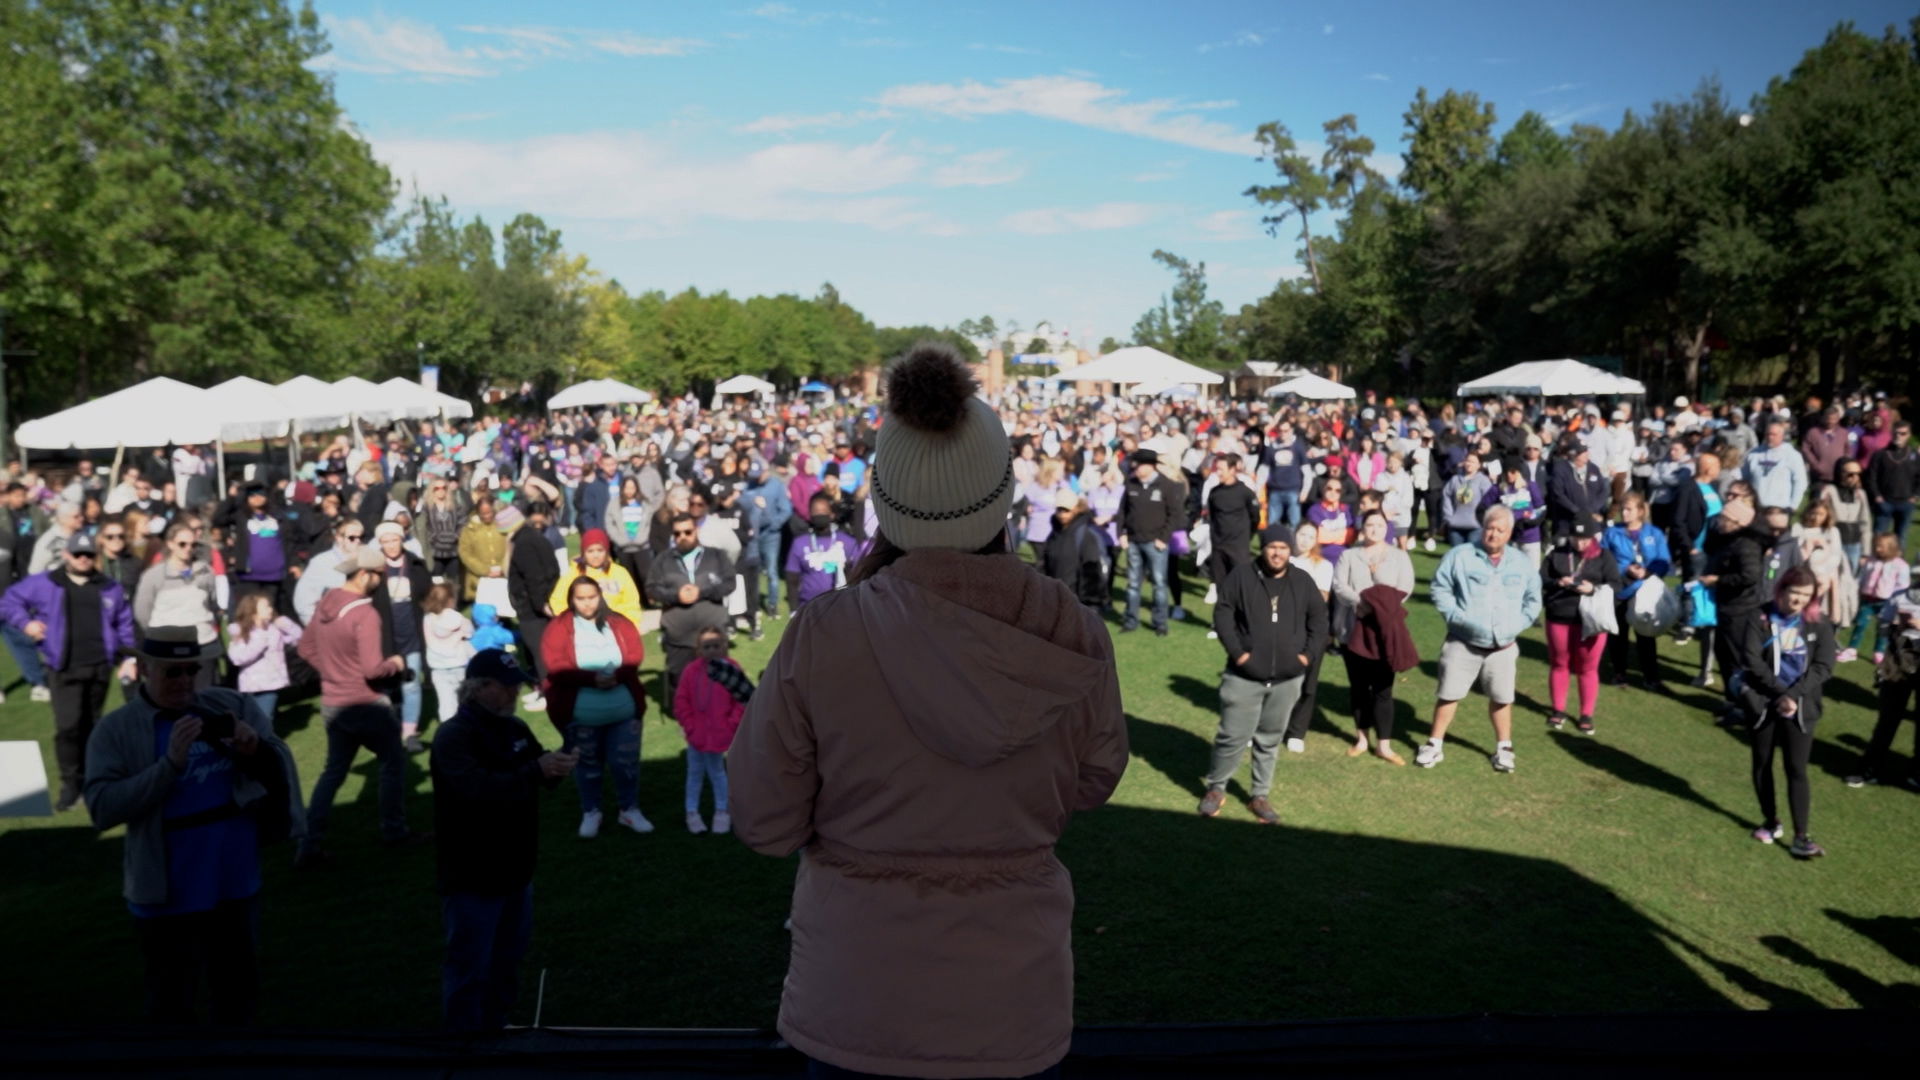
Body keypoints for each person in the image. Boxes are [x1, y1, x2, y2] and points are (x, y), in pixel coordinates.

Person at [731, 345, 1127, 1079]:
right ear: (1003, 497)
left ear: (881, 500)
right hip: (1014, 1004)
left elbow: (763, 817)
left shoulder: (827, 633)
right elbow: (1095, 778)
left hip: (856, 1000)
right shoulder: (1071, 625)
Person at [83, 626, 304, 1025]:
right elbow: (102, 808)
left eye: (192, 670)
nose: (185, 681)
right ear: (145, 669)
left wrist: (254, 752)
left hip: (234, 881)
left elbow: (279, 765)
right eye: (172, 672)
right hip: (167, 891)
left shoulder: (228, 706)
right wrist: (168, 767)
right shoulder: (116, 729)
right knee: (171, 1000)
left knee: (238, 994)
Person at [430, 648, 577, 1032]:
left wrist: (558, 765)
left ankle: (497, 1029)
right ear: (479, 689)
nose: (514, 693)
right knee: (469, 966)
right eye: (507, 686)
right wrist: (536, 770)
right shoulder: (453, 737)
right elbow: (475, 791)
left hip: (516, 869)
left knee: (508, 959)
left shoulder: (513, 729)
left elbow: (537, 771)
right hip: (472, 874)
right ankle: (463, 1043)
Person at [295, 547, 431, 868]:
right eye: (379, 575)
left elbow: (305, 648)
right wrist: (395, 663)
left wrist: (332, 671)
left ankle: (308, 844)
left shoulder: (325, 604)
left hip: (333, 703)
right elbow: (372, 669)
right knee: (393, 763)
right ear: (364, 575)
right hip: (367, 703)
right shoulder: (365, 614)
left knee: (332, 773)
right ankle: (394, 831)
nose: (381, 581)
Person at [0, 532, 140, 809]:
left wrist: (129, 658)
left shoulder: (108, 586)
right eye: (78, 554)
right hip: (63, 666)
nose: (84, 559)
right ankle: (70, 783)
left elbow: (124, 623)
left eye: (89, 555)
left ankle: (91, 781)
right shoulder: (46, 583)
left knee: (92, 726)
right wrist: (26, 623)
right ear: (66, 555)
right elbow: (8, 601)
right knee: (68, 728)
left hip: (99, 666)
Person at [1200, 525, 1328, 823]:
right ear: (1263, 548)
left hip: (1287, 678)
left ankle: (1260, 794)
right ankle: (1216, 788)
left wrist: (1305, 657)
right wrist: (1239, 653)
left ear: (1290, 550)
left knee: (1270, 739)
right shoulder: (1242, 576)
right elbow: (1223, 613)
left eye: (1283, 547)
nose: (1277, 552)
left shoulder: (1301, 580)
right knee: (1232, 736)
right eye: (1272, 547)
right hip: (1244, 676)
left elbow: (1319, 620)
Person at [1417, 505, 1543, 772]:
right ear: (1482, 528)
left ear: (1509, 534)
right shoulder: (1460, 556)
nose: (1493, 534)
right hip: (1463, 642)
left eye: (1500, 530)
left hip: (1503, 646)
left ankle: (1504, 748)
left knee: (1502, 697)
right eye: (1490, 528)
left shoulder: (1521, 563)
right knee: (1448, 694)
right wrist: (1456, 617)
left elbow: (1533, 599)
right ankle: (1434, 744)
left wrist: (1516, 625)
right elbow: (1440, 587)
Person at [1732, 567, 1833, 859]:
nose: (1798, 600)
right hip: (1764, 702)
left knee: (1796, 769)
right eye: (1794, 593)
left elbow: (1823, 666)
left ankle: (1801, 836)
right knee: (1762, 763)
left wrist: (1793, 696)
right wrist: (1780, 693)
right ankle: (1770, 821)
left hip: (1801, 707)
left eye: (1805, 595)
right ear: (1781, 590)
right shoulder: (1759, 616)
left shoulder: (1820, 624)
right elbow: (1751, 660)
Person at [541, 576, 651, 838]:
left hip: (624, 711)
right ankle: (591, 811)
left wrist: (618, 676)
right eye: (581, 598)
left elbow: (634, 655)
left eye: (592, 597)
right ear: (571, 599)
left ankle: (629, 809)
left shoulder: (619, 623)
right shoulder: (558, 627)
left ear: (600, 596)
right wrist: (591, 679)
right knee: (587, 766)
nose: (587, 603)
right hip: (582, 715)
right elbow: (555, 666)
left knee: (626, 763)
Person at [1332, 510, 1416, 763]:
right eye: (1370, 524)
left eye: (1380, 524)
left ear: (1387, 528)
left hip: (1385, 632)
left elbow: (1405, 588)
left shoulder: (1399, 557)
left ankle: (1384, 745)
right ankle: (1361, 738)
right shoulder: (1348, 555)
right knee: (1358, 688)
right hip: (1353, 627)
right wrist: (1363, 602)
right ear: (1362, 527)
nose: (1375, 529)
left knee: (1383, 689)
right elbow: (1339, 586)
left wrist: (1378, 603)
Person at [645, 512, 735, 713]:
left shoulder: (716, 555)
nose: (683, 537)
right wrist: (676, 595)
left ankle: (718, 714)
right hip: (678, 634)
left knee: (717, 676)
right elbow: (651, 589)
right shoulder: (663, 560)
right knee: (680, 678)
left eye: (687, 531)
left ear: (697, 531)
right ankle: (687, 718)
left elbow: (730, 583)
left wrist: (701, 592)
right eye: (677, 534)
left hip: (712, 632)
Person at [1541, 520, 1622, 734]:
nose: (1580, 543)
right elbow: (1541, 579)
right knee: (1559, 663)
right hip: (1559, 616)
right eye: (1576, 538)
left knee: (1587, 668)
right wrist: (1558, 583)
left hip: (1591, 621)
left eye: (1585, 539)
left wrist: (1593, 589)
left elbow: (1616, 585)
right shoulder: (1557, 553)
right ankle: (1558, 710)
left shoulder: (1604, 556)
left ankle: (1586, 714)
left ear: (1593, 537)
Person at [674, 626, 752, 835]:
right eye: (706, 646)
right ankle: (691, 811)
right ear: (699, 649)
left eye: (716, 645)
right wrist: (689, 726)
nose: (712, 650)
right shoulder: (691, 671)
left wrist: (731, 724)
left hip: (720, 734)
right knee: (694, 773)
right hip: (696, 736)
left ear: (724, 646)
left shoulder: (731, 669)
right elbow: (682, 701)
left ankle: (722, 810)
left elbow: (742, 700)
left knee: (718, 773)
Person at [1602, 493, 1673, 692]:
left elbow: (1664, 560)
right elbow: (1603, 559)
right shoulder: (1612, 533)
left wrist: (1649, 571)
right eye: (1622, 509)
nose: (1624, 513)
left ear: (1641, 511)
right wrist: (1624, 569)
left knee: (1646, 634)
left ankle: (1651, 677)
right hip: (1620, 589)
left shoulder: (1654, 533)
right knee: (1618, 634)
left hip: (1645, 590)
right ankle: (1619, 673)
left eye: (1629, 509)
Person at [1119, 447, 1184, 637]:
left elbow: (1174, 515)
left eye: (1138, 465)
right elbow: (1123, 511)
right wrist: (1121, 533)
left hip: (1156, 544)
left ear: (1149, 466)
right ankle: (1131, 620)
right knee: (1132, 584)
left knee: (1159, 584)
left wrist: (1163, 539)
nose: (1134, 468)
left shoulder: (1166, 486)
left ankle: (1160, 623)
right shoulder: (1131, 484)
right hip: (1133, 541)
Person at [225, 593, 303, 735]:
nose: (270, 609)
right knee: (253, 719)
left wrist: (286, 624)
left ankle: (262, 745)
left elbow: (298, 638)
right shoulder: (242, 632)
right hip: (251, 686)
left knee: (264, 719)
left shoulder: (273, 629)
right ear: (253, 612)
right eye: (266, 607)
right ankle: (254, 745)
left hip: (270, 684)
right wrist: (260, 643)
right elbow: (237, 658)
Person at [220, 481, 295, 615]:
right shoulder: (241, 516)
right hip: (248, 575)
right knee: (249, 612)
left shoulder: (277, 516)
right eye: (252, 495)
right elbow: (218, 518)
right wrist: (231, 497)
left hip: (274, 574)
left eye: (260, 494)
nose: (257, 498)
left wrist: (292, 564)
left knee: (269, 612)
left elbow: (289, 541)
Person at [546, 527, 644, 626]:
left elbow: (632, 604)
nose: (595, 555)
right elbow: (558, 601)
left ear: (606, 551)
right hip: (582, 627)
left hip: (616, 626)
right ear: (583, 553)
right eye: (590, 551)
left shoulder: (619, 572)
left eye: (600, 550)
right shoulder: (573, 573)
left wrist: (629, 625)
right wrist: (572, 622)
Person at [784, 493, 866, 609]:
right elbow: (792, 578)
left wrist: (846, 566)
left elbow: (859, 574)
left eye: (823, 510)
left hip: (840, 607)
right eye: (815, 511)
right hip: (808, 607)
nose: (819, 514)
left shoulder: (847, 542)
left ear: (832, 514)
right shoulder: (800, 543)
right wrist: (793, 610)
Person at [1844, 533, 1908, 664]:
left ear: (1891, 547)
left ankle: (1879, 652)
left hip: (1886, 602)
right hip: (1868, 599)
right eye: (1876, 546)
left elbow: (1902, 585)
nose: (1878, 549)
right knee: (1860, 624)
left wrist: (1896, 601)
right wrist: (1857, 588)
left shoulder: (1900, 565)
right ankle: (1852, 649)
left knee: (1883, 628)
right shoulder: (1871, 560)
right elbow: (1862, 576)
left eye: (1881, 546)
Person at [1040, 496, 1109, 611]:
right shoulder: (1054, 534)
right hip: (1053, 598)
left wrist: (1090, 605)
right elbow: (1044, 563)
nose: (1062, 514)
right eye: (1059, 510)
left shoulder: (1086, 536)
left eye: (1066, 510)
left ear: (1077, 509)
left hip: (1076, 602)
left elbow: (1092, 572)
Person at [292, 517, 365, 625]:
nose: (358, 541)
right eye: (352, 537)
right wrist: (319, 629)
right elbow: (303, 601)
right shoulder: (322, 562)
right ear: (339, 538)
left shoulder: (365, 561)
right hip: (331, 631)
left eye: (361, 537)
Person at [423, 582, 476, 728]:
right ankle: (468, 727)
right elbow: (470, 631)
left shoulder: (428, 618)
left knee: (446, 702)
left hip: (437, 667)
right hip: (458, 663)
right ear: (451, 600)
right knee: (465, 699)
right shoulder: (457, 618)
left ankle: (449, 729)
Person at [1203, 453, 1258, 586]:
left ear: (1233, 470)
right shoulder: (1214, 492)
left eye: (1221, 469)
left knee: (1241, 584)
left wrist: (1246, 536)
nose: (1218, 473)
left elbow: (1255, 517)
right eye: (1217, 469)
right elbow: (1212, 516)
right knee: (1221, 587)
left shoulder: (1245, 492)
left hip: (1238, 546)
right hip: (1218, 546)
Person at [1866, 420, 1918, 547]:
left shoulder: (1914, 455)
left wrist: (1915, 495)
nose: (1898, 436)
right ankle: (1874, 565)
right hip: (1885, 502)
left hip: (1906, 502)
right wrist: (1877, 497)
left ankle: (1899, 565)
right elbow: (1871, 477)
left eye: (1903, 433)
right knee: (1878, 538)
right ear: (1891, 433)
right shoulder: (1880, 454)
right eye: (1896, 433)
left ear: (1909, 435)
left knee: (1901, 537)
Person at [1547, 440, 1609, 537]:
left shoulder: (1593, 468)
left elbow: (1603, 491)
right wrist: (1576, 511)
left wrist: (1593, 508)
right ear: (1573, 454)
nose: (1587, 454)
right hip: (1568, 521)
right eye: (1582, 452)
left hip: (1592, 518)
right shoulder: (1561, 469)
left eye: (1586, 451)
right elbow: (1557, 493)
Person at [1743, 422, 1808, 514]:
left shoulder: (1792, 455)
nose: (1770, 437)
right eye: (1768, 434)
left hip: (1779, 508)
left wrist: (1793, 505)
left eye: (1774, 435)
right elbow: (1745, 479)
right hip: (1755, 507)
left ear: (1782, 436)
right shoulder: (1754, 454)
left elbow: (1800, 482)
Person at [458, 496, 510, 605]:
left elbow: (510, 546)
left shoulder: (503, 524)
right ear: (478, 512)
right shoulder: (469, 529)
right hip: (479, 578)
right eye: (483, 513)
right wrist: (485, 570)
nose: (487, 516)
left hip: (502, 574)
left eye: (490, 512)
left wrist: (503, 567)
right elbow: (465, 553)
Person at [1440, 454, 1491, 546]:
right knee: (1457, 554)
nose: (1469, 464)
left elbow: (1489, 500)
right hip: (1455, 526)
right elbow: (1446, 496)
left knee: (1472, 556)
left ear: (1479, 465)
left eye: (1472, 462)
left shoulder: (1483, 481)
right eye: (1467, 461)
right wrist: (1448, 517)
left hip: (1476, 526)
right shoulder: (1455, 480)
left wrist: (1484, 518)